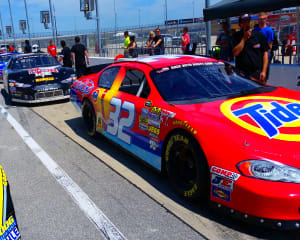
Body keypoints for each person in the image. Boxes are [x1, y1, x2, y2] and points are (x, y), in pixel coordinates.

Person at [232, 14, 269, 84]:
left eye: (248, 21)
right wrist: (244, 38)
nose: (247, 23)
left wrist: (264, 71)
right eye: (245, 21)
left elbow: (265, 54)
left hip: (257, 73)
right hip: (241, 74)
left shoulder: (259, 35)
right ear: (240, 24)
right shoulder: (236, 37)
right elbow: (235, 53)